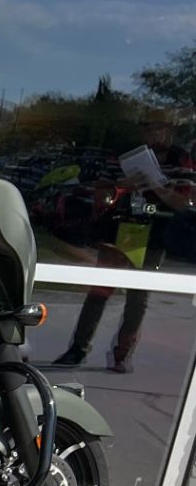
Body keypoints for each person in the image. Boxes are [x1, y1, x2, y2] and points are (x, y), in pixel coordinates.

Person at [52, 134, 195, 374]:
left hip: (155, 234)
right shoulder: (123, 155)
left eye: (164, 128)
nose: (158, 134)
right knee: (99, 291)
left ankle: (122, 354)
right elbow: (99, 193)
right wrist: (123, 186)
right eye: (152, 127)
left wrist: (157, 187)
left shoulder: (181, 159)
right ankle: (78, 348)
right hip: (117, 229)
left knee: (138, 297)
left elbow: (185, 203)